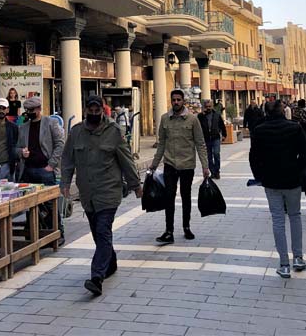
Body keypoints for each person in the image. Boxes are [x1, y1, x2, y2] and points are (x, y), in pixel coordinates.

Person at [61, 96, 142, 296]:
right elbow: (68, 160)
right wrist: (64, 183)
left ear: (102, 111)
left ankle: (97, 277)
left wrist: (136, 184)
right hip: (87, 194)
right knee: (98, 234)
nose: (95, 114)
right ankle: (110, 262)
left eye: (98, 111)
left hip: (108, 191)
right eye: (91, 110)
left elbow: (126, 160)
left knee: (103, 230)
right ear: (86, 110)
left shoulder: (114, 132)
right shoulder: (76, 132)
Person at [250, 99, 306, 279]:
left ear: (266, 112)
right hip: (292, 180)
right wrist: (297, 170)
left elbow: (253, 157)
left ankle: (284, 264)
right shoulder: (294, 128)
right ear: (283, 111)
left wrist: (260, 176)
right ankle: (298, 258)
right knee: (295, 216)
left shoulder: (259, 131)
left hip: (271, 181)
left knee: (277, 220)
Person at [150, 89, 210, 243]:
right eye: (173, 100)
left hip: (187, 165)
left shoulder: (192, 119)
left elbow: (200, 143)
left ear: (183, 101)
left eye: (178, 100)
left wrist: (205, 166)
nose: (176, 102)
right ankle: (169, 231)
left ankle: (186, 227)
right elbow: (161, 144)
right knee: (169, 197)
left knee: (186, 197)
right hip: (170, 164)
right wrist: (153, 165)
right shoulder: (164, 119)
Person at [16, 96, 65, 241]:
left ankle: (57, 232)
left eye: (31, 110)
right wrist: (21, 152)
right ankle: (33, 233)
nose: (29, 113)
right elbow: (17, 147)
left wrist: (51, 165)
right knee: (30, 205)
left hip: (45, 170)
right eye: (27, 110)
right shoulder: (24, 127)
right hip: (28, 170)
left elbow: (60, 144)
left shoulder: (50, 123)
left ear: (38, 109)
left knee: (50, 204)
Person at [198, 99, 224, 179]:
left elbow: (221, 125)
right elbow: (197, 127)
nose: (208, 108)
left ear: (212, 106)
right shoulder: (201, 116)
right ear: (204, 107)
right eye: (206, 107)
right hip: (206, 139)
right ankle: (213, 172)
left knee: (216, 154)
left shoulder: (216, 114)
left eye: (209, 106)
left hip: (215, 137)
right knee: (208, 156)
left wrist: (224, 135)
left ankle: (217, 171)